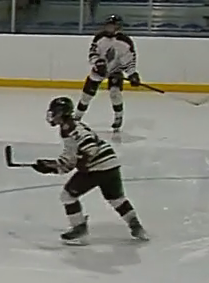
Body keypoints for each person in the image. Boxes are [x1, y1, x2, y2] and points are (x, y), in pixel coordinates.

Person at [29, 96, 147, 245]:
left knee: (68, 196)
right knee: (116, 199)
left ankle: (79, 228)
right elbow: (70, 161)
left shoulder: (71, 127)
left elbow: (90, 148)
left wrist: (82, 164)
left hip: (97, 166)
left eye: (55, 112)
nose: (52, 115)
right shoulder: (69, 128)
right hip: (111, 164)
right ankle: (136, 226)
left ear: (62, 113)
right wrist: (50, 166)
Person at [78, 12, 140, 133]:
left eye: (111, 25)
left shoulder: (125, 42)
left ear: (118, 27)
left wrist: (132, 74)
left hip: (115, 71)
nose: (108, 28)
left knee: (115, 93)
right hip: (98, 70)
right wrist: (98, 63)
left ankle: (118, 117)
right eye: (108, 25)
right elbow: (92, 53)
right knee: (87, 95)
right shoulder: (99, 38)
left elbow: (129, 59)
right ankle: (77, 117)